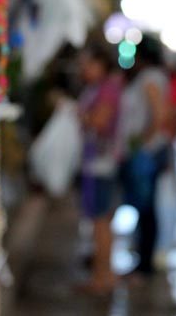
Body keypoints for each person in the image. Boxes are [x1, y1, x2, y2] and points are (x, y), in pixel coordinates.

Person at [119, 37, 171, 278]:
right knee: (145, 207)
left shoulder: (150, 78)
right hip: (147, 149)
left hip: (147, 152)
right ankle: (143, 260)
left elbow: (159, 115)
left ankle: (145, 264)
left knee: (146, 207)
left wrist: (143, 143)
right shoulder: (155, 76)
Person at [76, 44, 123, 294]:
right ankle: (104, 275)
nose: (85, 69)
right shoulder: (102, 88)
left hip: (102, 164)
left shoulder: (106, 90)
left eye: (89, 64)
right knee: (101, 221)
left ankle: (102, 277)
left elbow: (100, 122)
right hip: (98, 162)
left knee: (101, 222)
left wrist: (76, 114)